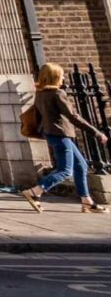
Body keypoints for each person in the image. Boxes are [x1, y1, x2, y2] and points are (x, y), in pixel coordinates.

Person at [22, 63, 108, 214]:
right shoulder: (57, 94)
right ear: (55, 77)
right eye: (61, 75)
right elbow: (73, 116)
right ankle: (35, 191)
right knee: (65, 171)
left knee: (81, 165)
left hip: (51, 133)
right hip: (60, 135)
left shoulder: (40, 93)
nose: (62, 78)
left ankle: (86, 201)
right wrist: (96, 132)